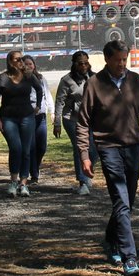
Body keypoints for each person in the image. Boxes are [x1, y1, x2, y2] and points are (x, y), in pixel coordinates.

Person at [76, 39, 139, 276]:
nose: (122, 64)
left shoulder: (135, 81)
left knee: (128, 202)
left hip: (133, 147)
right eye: (117, 60)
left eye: (124, 59)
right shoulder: (94, 84)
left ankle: (109, 239)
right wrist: (85, 155)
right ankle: (130, 257)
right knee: (121, 200)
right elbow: (83, 122)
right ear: (106, 59)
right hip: (108, 148)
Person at [0, 50, 43, 196]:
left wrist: (37, 106)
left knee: (26, 150)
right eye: (17, 59)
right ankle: (13, 181)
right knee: (16, 148)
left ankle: (23, 183)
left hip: (27, 117)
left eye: (21, 59)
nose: (20, 62)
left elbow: (39, 90)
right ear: (10, 61)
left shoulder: (28, 76)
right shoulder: (3, 78)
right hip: (8, 118)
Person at [53, 51, 99, 195]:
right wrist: (57, 122)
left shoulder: (94, 77)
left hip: (91, 119)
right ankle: (83, 182)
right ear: (74, 64)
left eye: (86, 62)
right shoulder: (67, 80)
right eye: (80, 63)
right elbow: (60, 102)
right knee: (80, 148)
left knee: (95, 149)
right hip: (72, 119)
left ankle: (87, 170)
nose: (84, 66)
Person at [22, 55, 53, 184]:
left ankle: (34, 166)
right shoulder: (21, 80)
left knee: (42, 146)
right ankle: (34, 174)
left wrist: (52, 111)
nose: (29, 66)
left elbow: (47, 94)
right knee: (32, 146)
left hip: (41, 116)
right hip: (28, 116)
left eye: (31, 64)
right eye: (26, 64)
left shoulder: (40, 78)